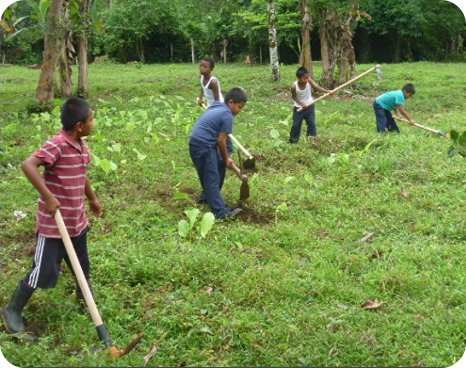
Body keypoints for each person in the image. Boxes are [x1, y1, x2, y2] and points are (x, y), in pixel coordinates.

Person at [1, 97, 101, 336]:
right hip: (53, 227)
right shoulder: (57, 144)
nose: (92, 123)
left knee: (82, 268)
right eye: (91, 120)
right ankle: (13, 309)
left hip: (76, 221)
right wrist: (47, 196)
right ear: (79, 125)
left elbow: (81, 172)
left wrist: (92, 198)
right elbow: (28, 165)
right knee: (44, 270)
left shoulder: (80, 145)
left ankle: (84, 303)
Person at [189, 87, 247, 219]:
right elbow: (221, 140)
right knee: (211, 177)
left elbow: (224, 140)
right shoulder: (228, 115)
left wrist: (226, 157)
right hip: (203, 146)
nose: (239, 111)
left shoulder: (217, 105)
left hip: (198, 142)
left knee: (219, 168)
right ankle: (220, 212)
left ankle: (206, 198)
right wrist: (226, 158)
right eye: (239, 107)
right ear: (231, 102)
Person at [289, 67, 332, 143]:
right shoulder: (294, 86)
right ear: (299, 78)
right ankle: (293, 141)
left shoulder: (309, 81)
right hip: (298, 108)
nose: (306, 80)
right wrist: (302, 104)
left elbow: (317, 87)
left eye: (307, 78)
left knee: (311, 123)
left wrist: (327, 91)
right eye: (304, 79)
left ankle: (311, 140)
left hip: (310, 106)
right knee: (296, 125)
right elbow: (294, 97)